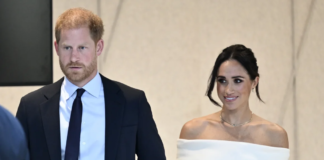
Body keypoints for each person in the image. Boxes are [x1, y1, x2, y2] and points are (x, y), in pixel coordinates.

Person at [16, 8, 166, 160]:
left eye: (82, 48)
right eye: (67, 48)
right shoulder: (31, 107)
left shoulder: (132, 102)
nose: (74, 57)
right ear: (57, 48)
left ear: (98, 47)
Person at [177, 44, 289, 160]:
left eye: (237, 80)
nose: (228, 90)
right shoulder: (193, 131)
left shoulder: (275, 136)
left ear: (255, 82)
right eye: (222, 80)